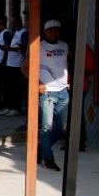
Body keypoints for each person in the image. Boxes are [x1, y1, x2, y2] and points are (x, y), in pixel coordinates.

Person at [23, 19, 69, 171]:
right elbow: (25, 68)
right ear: (44, 31)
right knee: (47, 127)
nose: (53, 32)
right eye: (50, 30)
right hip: (47, 92)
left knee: (62, 128)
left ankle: (42, 147)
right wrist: (37, 83)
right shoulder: (38, 46)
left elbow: (66, 65)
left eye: (56, 29)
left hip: (63, 92)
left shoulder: (65, 46)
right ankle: (48, 158)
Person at [2, 16, 27, 116]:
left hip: (18, 65)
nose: (13, 25)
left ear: (20, 22)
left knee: (17, 88)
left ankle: (17, 108)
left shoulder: (24, 33)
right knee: (9, 87)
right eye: (11, 23)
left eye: (15, 22)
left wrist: (10, 49)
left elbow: (24, 49)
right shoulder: (15, 32)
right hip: (10, 63)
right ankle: (9, 107)